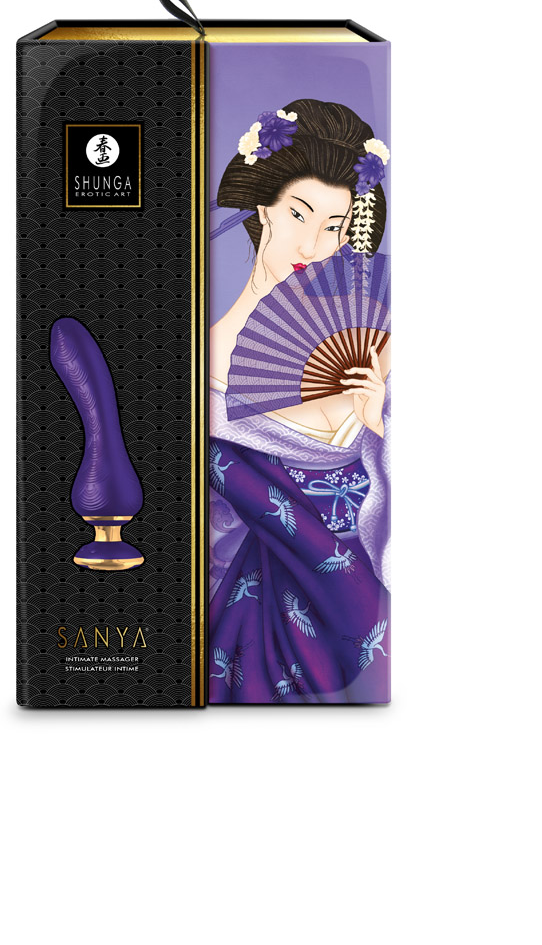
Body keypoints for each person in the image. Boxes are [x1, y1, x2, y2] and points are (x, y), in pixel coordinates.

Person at [208, 99, 391, 703]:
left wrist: (378, 426)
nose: (313, 244)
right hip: (256, 596)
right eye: (299, 214)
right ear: (264, 208)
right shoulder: (204, 358)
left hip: (366, 593)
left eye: (334, 226)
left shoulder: (371, 341)